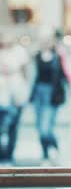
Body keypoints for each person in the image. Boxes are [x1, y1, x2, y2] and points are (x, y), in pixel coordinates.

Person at [30, 29, 71, 165]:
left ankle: (55, 148)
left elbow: (68, 74)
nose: (44, 42)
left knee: (46, 128)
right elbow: (32, 76)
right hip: (38, 95)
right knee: (40, 128)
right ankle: (45, 155)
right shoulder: (36, 55)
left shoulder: (59, 55)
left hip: (52, 95)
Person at [0, 33, 30, 165]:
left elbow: (25, 72)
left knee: (13, 126)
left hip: (16, 93)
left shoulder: (19, 52)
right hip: (2, 95)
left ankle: (9, 155)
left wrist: (23, 93)